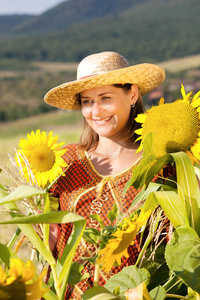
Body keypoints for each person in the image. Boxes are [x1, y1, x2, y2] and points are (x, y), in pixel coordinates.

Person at [44, 51, 166, 299]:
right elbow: (51, 243)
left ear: (132, 94)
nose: (95, 111)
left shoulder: (160, 165)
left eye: (105, 98)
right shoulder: (65, 162)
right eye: (87, 101)